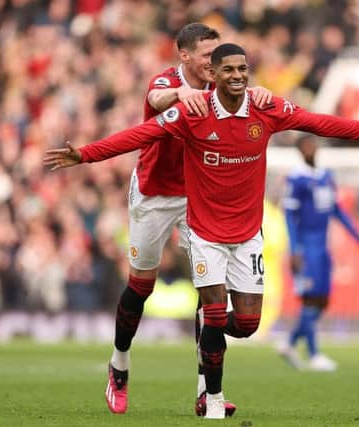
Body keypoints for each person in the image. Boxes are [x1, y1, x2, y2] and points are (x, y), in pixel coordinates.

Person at [44, 42, 359, 419]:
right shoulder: (191, 110)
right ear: (212, 73)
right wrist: (86, 154)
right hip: (190, 220)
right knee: (167, 293)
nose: (236, 75)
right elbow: (141, 133)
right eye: (228, 69)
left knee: (246, 323)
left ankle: (208, 339)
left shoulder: (265, 108)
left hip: (245, 234)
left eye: (243, 69)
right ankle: (204, 395)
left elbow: (319, 122)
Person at [96, 23, 272, 416]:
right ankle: (119, 363)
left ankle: (205, 390)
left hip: (198, 196)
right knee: (141, 286)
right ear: (186, 57)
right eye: (208, 55)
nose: (216, 61)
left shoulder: (224, 86)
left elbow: (253, 104)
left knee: (210, 291)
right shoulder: (168, 81)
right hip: (155, 193)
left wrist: (260, 92)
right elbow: (157, 98)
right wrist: (180, 94)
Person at [278, 135, 359, 372]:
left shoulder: (325, 177)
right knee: (310, 298)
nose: (312, 148)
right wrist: (294, 250)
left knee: (322, 300)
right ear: (300, 150)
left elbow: (337, 211)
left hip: (323, 247)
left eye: (314, 144)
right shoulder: (297, 179)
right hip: (306, 246)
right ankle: (312, 354)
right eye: (307, 145)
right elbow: (290, 217)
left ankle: (289, 343)